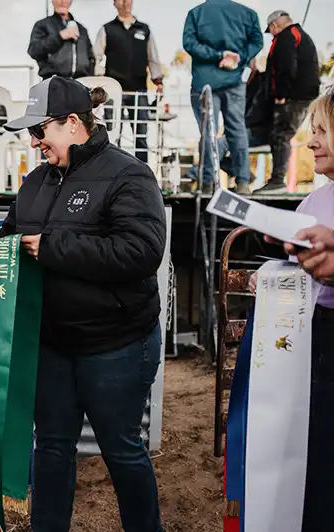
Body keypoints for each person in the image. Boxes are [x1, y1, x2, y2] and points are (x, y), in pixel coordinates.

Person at [0, 76, 166, 532]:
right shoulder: (36, 181)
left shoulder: (128, 174)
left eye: (40, 130)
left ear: (73, 123)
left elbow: (141, 253)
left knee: (122, 450)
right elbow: (12, 239)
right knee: (51, 447)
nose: (34, 141)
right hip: (52, 344)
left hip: (117, 344)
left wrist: (52, 247)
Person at [249, 90, 334, 531]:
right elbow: (295, 267)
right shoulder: (314, 201)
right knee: (311, 446)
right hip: (312, 340)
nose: (311, 142)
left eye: (321, 131)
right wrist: (269, 278)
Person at [182, 0, 263, 194]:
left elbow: (189, 44)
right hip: (234, 81)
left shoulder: (196, 13)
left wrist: (218, 55)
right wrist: (238, 58)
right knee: (237, 129)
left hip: (204, 83)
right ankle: (243, 182)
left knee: (208, 131)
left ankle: (208, 182)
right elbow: (257, 42)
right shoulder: (248, 14)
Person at [253, 10, 320, 194]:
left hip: (293, 97)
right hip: (303, 95)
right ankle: (277, 180)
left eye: (271, 29)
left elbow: (286, 66)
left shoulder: (286, 37)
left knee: (280, 135)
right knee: (279, 135)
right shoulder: (298, 35)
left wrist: (280, 94)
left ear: (275, 25)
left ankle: (277, 181)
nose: (272, 33)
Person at [93, 0, 163, 163]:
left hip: (139, 91)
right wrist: (99, 80)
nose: (125, 3)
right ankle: (111, 172)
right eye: (121, 0)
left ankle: (142, 172)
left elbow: (153, 58)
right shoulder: (107, 29)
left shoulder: (144, 29)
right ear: (114, 3)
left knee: (141, 136)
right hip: (113, 92)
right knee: (112, 135)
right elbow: (96, 56)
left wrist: (158, 81)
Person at [28, 0, 95, 81]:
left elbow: (91, 56)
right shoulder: (42, 25)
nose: (62, 2)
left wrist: (89, 75)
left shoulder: (82, 29)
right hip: (54, 81)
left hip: (81, 82)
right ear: (52, 1)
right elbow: (33, 50)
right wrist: (59, 37)